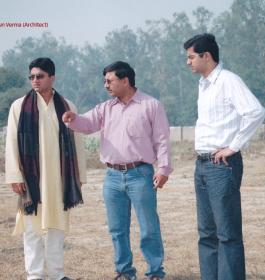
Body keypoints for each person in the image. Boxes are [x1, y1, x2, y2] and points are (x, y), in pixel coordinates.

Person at [62, 61, 172, 280]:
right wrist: (73, 119)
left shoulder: (151, 105)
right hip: (112, 177)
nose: (106, 85)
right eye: (105, 81)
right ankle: (124, 271)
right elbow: (87, 123)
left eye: (110, 80)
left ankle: (155, 272)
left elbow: (162, 140)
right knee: (117, 229)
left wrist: (164, 169)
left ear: (125, 80)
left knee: (149, 227)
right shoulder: (105, 108)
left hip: (141, 175)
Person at [183, 33, 265, 280]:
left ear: (206, 55)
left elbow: (255, 112)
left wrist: (233, 146)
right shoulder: (204, 84)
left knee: (227, 234)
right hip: (203, 165)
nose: (188, 62)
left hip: (222, 166)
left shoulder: (228, 81)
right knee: (207, 233)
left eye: (191, 57)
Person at [5, 57, 86, 280]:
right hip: (30, 177)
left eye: (40, 76)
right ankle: (35, 275)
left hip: (60, 177)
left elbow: (77, 142)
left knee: (56, 227)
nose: (35, 80)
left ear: (52, 77)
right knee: (31, 229)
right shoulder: (19, 106)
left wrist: (78, 176)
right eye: (31, 77)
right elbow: (11, 142)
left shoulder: (68, 106)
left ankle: (58, 274)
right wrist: (14, 175)